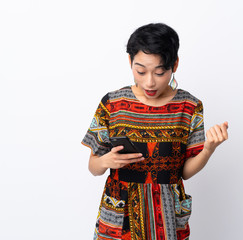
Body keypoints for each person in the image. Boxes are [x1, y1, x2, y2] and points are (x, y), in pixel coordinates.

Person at [81, 23, 229, 240]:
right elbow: (93, 167)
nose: (149, 82)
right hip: (119, 216)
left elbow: (185, 172)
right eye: (140, 71)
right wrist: (105, 162)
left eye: (159, 72)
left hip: (166, 217)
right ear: (130, 62)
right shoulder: (113, 104)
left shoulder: (189, 107)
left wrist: (208, 149)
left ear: (174, 65)